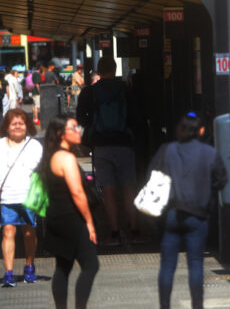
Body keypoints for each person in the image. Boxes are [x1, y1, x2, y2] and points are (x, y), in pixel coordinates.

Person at [155, 112, 228, 309]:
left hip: (173, 213)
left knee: (167, 265)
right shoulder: (210, 153)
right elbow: (221, 180)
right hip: (198, 214)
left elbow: (156, 175)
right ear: (201, 130)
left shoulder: (168, 150)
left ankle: (164, 305)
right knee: (195, 264)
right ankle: (197, 305)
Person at [77, 57, 140, 245]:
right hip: (124, 143)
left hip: (102, 145)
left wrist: (94, 128)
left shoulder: (89, 92)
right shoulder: (125, 89)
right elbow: (136, 116)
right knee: (129, 188)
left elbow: (81, 117)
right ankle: (134, 228)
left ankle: (114, 231)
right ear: (114, 69)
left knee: (109, 189)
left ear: (98, 69)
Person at [40, 114, 99, 308]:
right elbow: (77, 193)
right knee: (91, 265)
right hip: (72, 217)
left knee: (63, 265)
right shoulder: (66, 157)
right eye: (73, 128)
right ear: (60, 134)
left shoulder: (52, 155)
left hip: (56, 216)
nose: (78, 131)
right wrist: (89, 222)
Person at [0, 109, 43, 287]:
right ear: (7, 127)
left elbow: (31, 168)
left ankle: (29, 265)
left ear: (27, 126)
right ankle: (9, 273)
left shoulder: (34, 146)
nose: (18, 126)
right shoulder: (1, 145)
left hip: (28, 195)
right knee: (8, 231)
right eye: (14, 123)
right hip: (6, 196)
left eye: (21, 123)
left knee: (29, 232)